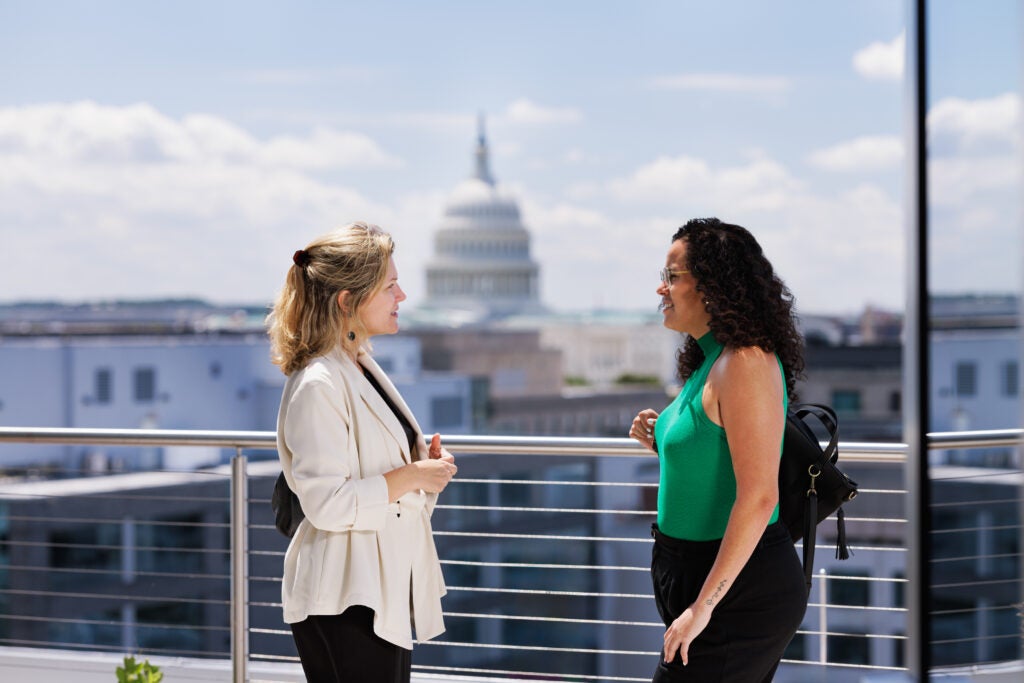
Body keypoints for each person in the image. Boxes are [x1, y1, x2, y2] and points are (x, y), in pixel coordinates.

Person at [266, 221, 457, 683]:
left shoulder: (359, 365)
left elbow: (377, 478)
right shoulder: (320, 383)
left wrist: (422, 470)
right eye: (390, 286)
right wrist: (412, 477)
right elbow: (328, 504)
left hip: (375, 591)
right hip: (344, 600)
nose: (403, 296)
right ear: (347, 301)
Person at [629, 218, 808, 682]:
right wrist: (663, 441)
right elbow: (717, 458)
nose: (660, 289)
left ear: (711, 285)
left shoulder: (745, 362)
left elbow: (760, 496)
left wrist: (703, 607)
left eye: (671, 276)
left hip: (735, 590)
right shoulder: (711, 359)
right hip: (697, 575)